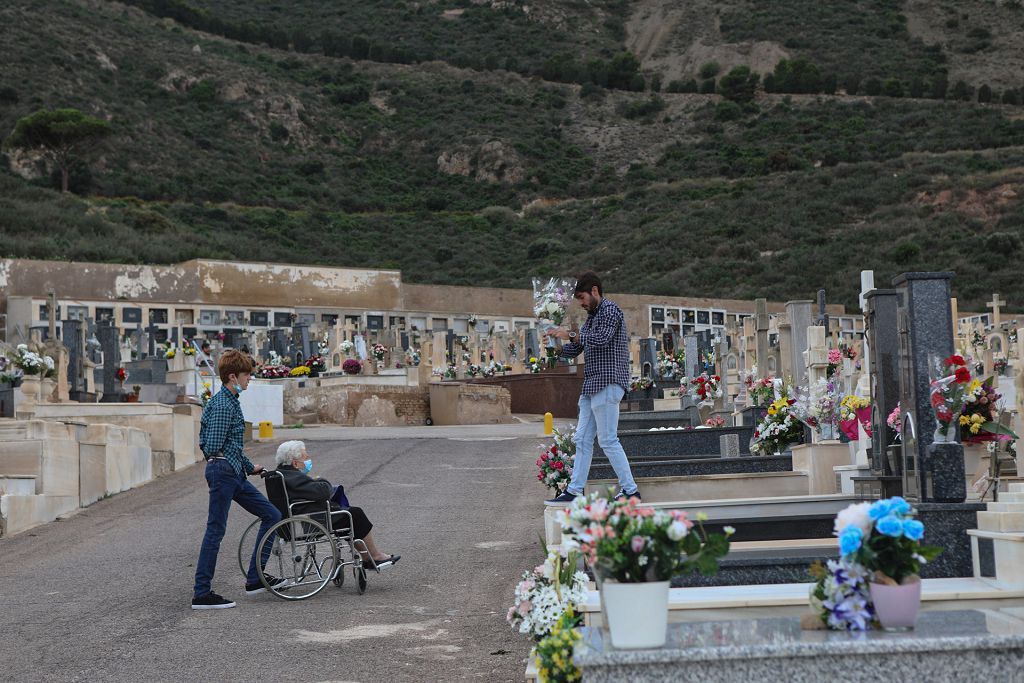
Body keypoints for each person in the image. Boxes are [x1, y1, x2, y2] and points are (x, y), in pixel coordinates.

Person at [192, 349, 285, 610]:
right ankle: (201, 593)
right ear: (232, 376)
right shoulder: (222, 405)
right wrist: (230, 463)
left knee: (272, 514)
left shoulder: (229, 401)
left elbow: (230, 445)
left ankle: (255, 579)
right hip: (223, 473)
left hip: (231, 471)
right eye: (246, 376)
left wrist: (248, 466)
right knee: (215, 530)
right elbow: (212, 445)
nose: (249, 380)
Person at [544, 272, 640, 505]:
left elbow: (600, 339)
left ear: (594, 290)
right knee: (582, 439)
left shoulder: (610, 310)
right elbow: (577, 348)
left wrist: (571, 334)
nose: (581, 303)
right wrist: (555, 348)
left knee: (607, 440)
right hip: (592, 385)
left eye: (582, 297)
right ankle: (574, 491)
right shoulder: (592, 317)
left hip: (607, 382)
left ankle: (631, 491)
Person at [274, 440, 399, 570]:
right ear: (295, 462)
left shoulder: (282, 474)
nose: (308, 460)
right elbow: (323, 492)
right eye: (306, 457)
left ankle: (368, 557)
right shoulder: (294, 477)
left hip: (299, 518)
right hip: (310, 521)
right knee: (355, 514)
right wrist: (320, 480)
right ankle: (374, 556)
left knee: (348, 515)